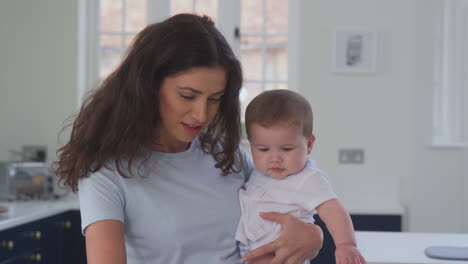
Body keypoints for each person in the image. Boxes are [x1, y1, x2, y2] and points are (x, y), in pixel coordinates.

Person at [53, 14, 323, 264]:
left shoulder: (228, 156)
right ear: (148, 85)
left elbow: (287, 204)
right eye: (188, 96)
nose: (201, 114)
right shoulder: (106, 173)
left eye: (215, 99)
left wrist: (314, 237)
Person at [235, 90, 366, 264]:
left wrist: (346, 244)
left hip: (283, 254)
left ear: (309, 145)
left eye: (287, 149)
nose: (275, 158)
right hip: (249, 249)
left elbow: (333, 210)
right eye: (263, 149)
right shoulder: (258, 171)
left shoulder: (308, 178)